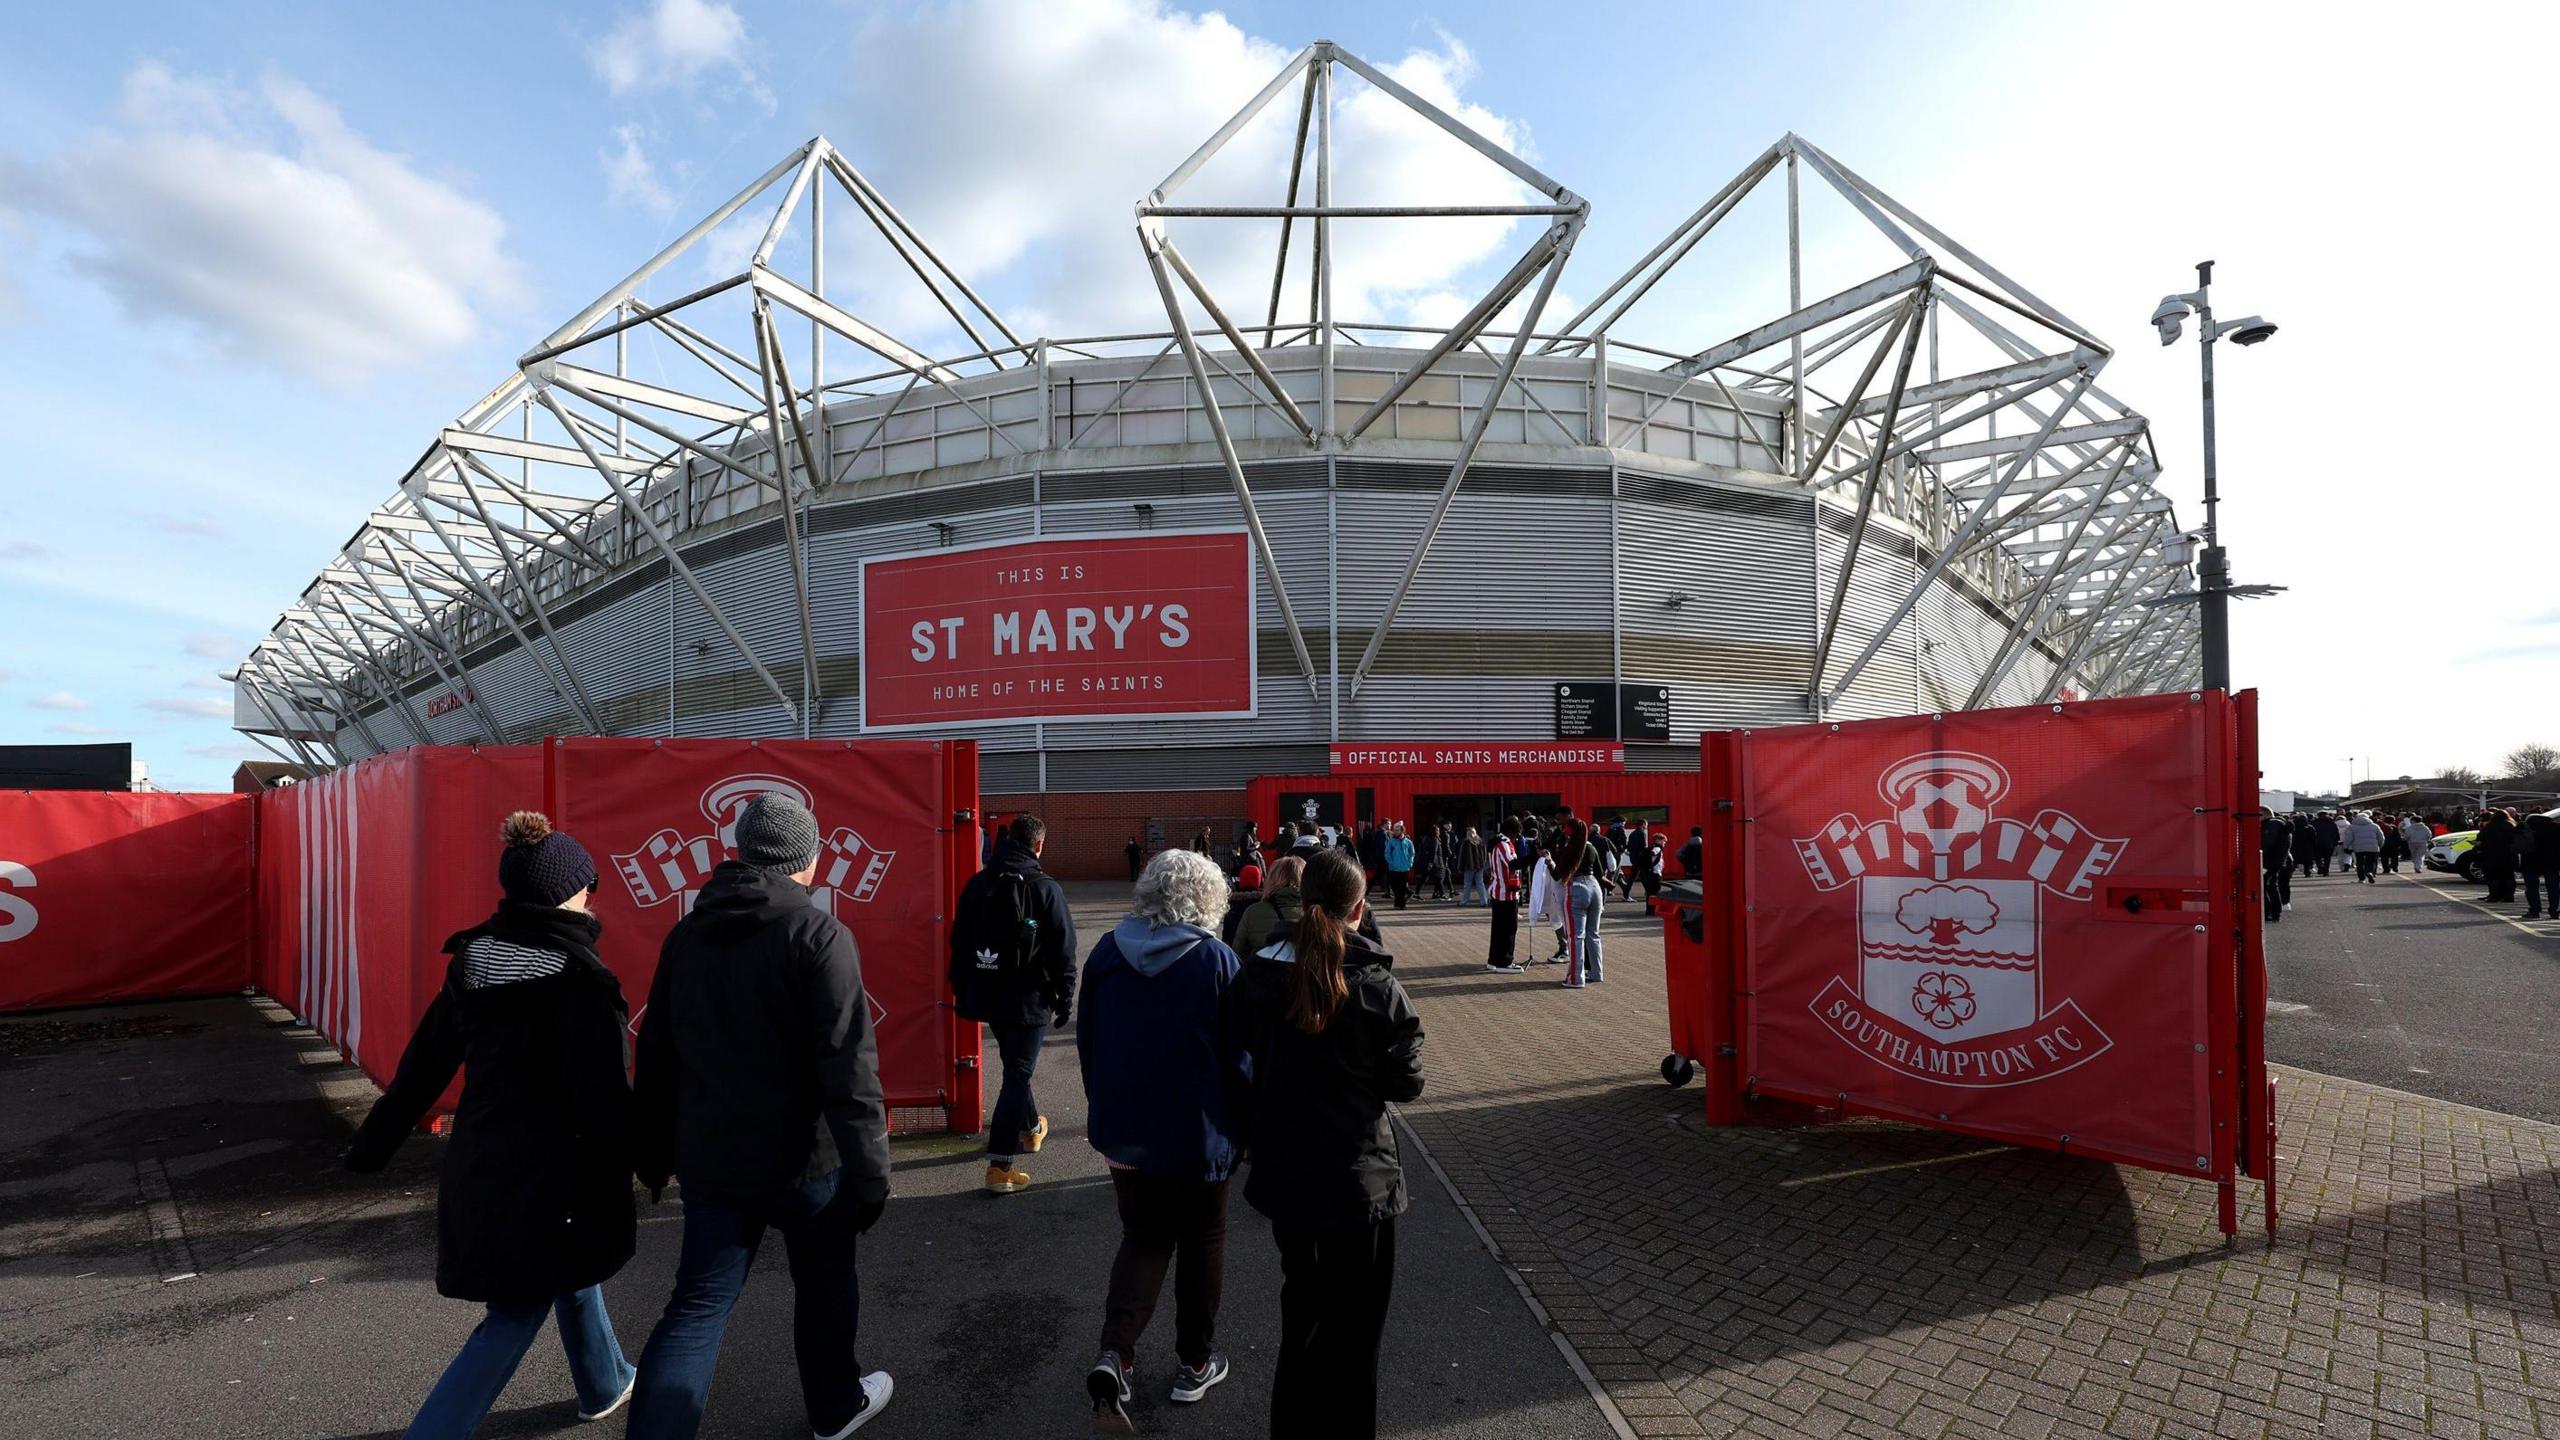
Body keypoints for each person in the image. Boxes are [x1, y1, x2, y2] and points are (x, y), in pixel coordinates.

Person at [345, 811, 639, 1439]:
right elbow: (604, 1099)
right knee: (514, 1310)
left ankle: (604, 1381)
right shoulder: (581, 980)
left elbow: (422, 1068)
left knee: (563, 1266)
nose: (593, 893)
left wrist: (372, 1145)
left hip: (482, 1160)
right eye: (588, 883)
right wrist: (646, 1161)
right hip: (555, 1174)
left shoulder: (474, 962)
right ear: (571, 892)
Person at [629, 793, 893, 1440]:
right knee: (826, 1281)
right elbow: (848, 1069)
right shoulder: (820, 935)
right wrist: (872, 1175)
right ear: (807, 860)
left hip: (714, 1159)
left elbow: (656, 1054)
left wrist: (653, 1156)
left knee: (694, 1311)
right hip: (809, 1162)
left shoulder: (688, 934)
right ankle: (834, 1407)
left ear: (742, 853)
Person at [1239, 849, 1423, 1440]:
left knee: (1303, 1316)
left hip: (1287, 1176)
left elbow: (1238, 1059)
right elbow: (1407, 1083)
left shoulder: (1258, 976)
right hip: (1358, 1182)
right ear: (1359, 908)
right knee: (1356, 1334)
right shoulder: (1376, 985)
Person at [1079, 850, 1251, 1430]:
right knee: (1203, 1242)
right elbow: (1241, 1060)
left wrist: (1104, 1106)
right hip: (1200, 1135)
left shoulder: (1105, 954)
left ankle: (1116, 1353)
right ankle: (1194, 1363)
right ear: (1210, 899)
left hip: (1125, 1132)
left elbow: (1089, 1044)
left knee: (1143, 1240)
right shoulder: (1218, 962)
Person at [948, 814, 1078, 1195]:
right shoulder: (1045, 887)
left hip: (988, 994)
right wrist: (1065, 997)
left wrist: (963, 985)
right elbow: (1064, 948)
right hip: (1029, 999)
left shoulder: (978, 883)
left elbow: (959, 939)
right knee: (1018, 1073)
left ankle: (1031, 1129)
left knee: (1015, 1066)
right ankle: (1000, 1164)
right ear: (1038, 845)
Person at [1550, 818, 1607, 987]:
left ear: (1570, 831)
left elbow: (1557, 874)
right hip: (1594, 888)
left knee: (1576, 936)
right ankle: (1596, 973)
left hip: (1576, 888)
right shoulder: (1591, 848)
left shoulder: (1570, 849)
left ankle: (1575, 978)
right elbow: (1600, 872)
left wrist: (1549, 861)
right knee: (1593, 934)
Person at [1235, 855, 1306, 957]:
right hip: (1303, 971)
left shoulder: (1253, 912)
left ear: (1271, 879)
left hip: (1262, 971)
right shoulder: (1316, 912)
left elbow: (1238, 954)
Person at [1484, 818, 1523, 973]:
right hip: (1505, 893)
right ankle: (1505, 961)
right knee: (1509, 928)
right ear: (1513, 832)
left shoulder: (1497, 843)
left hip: (1498, 891)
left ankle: (1494, 960)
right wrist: (1533, 857)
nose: (1518, 838)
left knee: (1498, 928)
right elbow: (1513, 864)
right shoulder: (1504, 845)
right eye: (1518, 834)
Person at [2523, 809, 2560, 920]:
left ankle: (2534, 910)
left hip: (2530, 861)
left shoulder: (2526, 827)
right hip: (2552, 861)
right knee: (2553, 887)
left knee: (2532, 888)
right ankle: (2554, 910)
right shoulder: (2556, 828)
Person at [2477, 808, 2520, 903]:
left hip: (2492, 855)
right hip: (2509, 855)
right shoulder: (2512, 825)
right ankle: (2509, 896)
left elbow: (2482, 840)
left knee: (2494, 877)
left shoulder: (2490, 827)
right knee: (2509, 877)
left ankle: (2495, 895)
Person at [2259, 811, 2293, 922]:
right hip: (2278, 861)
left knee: (2266, 887)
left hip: (2268, 862)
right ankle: (2274, 912)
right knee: (2272, 886)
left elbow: (2266, 844)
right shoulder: (2281, 825)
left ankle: (2268, 912)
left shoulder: (2271, 826)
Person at [1382, 822, 1415, 910]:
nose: (1395, 832)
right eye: (1395, 830)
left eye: (1397, 830)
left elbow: (1412, 853)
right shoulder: (1391, 841)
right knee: (1395, 887)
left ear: (1402, 831)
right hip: (1393, 869)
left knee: (1403, 888)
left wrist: (1410, 863)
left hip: (1404, 868)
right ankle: (1398, 903)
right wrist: (1391, 862)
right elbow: (1387, 853)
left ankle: (1401, 905)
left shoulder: (1408, 842)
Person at [2347, 812, 2383, 885]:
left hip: (2358, 848)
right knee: (2370, 862)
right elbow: (2381, 837)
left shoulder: (2352, 827)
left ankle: (2361, 878)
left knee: (2360, 863)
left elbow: (2348, 838)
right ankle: (2369, 872)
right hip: (2373, 847)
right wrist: (2379, 845)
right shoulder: (2375, 826)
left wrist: (2346, 846)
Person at [1458, 825, 1488, 906]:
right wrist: (1483, 864)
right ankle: (1484, 901)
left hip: (1469, 866)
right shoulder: (1481, 841)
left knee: (1467, 884)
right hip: (1479, 866)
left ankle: (1464, 902)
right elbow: (1485, 855)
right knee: (1480, 883)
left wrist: (1460, 867)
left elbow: (1462, 856)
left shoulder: (1465, 842)